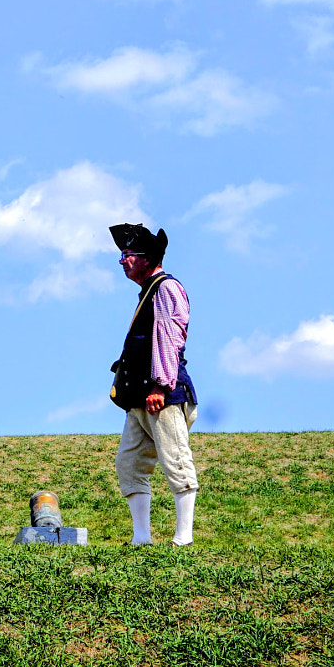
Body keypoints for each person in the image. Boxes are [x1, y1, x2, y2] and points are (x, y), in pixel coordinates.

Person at [107, 224, 199, 547]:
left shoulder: (165, 289)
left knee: (176, 460)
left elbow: (169, 339)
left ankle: (183, 538)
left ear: (147, 258)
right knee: (129, 464)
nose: (123, 261)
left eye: (128, 254)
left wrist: (160, 386)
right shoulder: (150, 290)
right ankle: (141, 538)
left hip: (163, 396)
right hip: (140, 399)